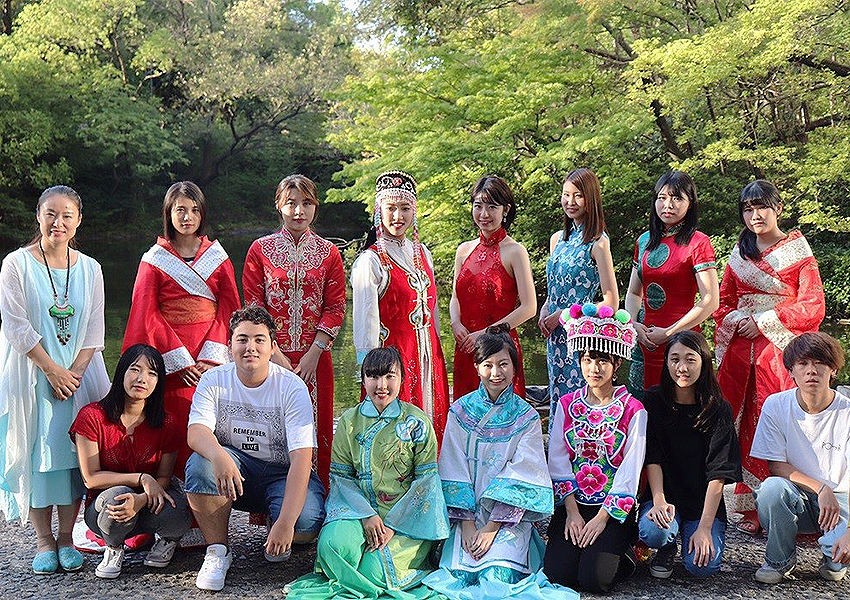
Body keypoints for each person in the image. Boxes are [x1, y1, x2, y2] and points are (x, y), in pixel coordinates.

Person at [0, 185, 111, 574]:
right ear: (38, 216)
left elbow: (95, 330)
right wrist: (51, 369)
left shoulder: (91, 268)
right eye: (51, 214)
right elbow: (15, 325)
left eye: (67, 215)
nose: (58, 222)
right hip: (32, 371)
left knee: (72, 457)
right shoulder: (16, 263)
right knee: (36, 454)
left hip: (79, 376)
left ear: (78, 220)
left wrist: (73, 376)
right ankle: (44, 540)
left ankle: (67, 537)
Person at [423, 325, 578, 600]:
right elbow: (452, 465)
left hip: (507, 519)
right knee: (460, 575)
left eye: (503, 364)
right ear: (477, 368)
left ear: (514, 367)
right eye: (488, 365)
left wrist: (492, 527)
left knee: (496, 576)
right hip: (466, 515)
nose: (496, 373)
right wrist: (469, 525)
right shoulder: (459, 411)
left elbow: (524, 474)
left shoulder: (527, 417)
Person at [285, 346, 449, 600]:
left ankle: (364, 576)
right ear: (363, 380)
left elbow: (425, 483)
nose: (381, 385)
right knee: (333, 547)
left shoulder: (417, 422)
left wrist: (393, 525)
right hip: (358, 511)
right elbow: (341, 478)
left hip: (406, 519)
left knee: (374, 569)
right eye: (373, 377)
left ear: (402, 379)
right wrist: (367, 515)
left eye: (389, 376)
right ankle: (354, 570)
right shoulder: (350, 421)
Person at [184, 305, 325, 591]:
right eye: (243, 339)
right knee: (200, 466)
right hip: (236, 469)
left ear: (273, 347)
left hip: (281, 473)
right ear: (229, 346)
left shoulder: (292, 387)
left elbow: (301, 458)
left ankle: (278, 526)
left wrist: (285, 523)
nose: (251, 347)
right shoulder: (214, 379)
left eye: (259, 340)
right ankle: (218, 550)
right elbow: (196, 431)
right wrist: (218, 455)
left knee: (306, 523)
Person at [714, 180, 825, 535]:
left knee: (778, 422)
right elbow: (723, 304)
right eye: (747, 209)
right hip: (739, 351)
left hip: (780, 351)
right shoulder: (739, 253)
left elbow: (812, 304)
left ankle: (797, 505)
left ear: (778, 208)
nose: (755, 215)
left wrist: (762, 322)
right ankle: (751, 506)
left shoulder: (797, 252)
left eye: (761, 207)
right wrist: (739, 321)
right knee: (742, 423)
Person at [122, 181, 241, 477]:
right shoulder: (154, 259)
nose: (187, 217)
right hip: (170, 360)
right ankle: (170, 493)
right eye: (180, 210)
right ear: (168, 213)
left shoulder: (218, 256)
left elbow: (229, 307)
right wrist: (178, 361)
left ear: (203, 215)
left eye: (194, 210)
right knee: (172, 422)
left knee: (212, 421)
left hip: (211, 356)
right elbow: (145, 313)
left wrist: (211, 357)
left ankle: (209, 494)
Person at [243, 174, 346, 491]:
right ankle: (270, 502)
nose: (299, 211)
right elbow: (253, 306)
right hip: (269, 359)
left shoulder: (329, 253)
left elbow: (336, 307)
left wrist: (315, 352)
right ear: (279, 206)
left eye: (306, 203)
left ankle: (316, 496)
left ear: (316, 206)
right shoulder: (260, 251)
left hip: (317, 359)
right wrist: (274, 355)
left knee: (314, 429)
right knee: (270, 429)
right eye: (291, 203)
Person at [544, 304, 646, 593]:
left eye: (602, 361)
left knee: (594, 581)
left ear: (616, 364)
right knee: (558, 575)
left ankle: (626, 555)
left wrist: (602, 518)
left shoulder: (633, 409)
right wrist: (572, 513)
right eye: (588, 360)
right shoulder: (567, 404)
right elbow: (559, 459)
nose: (594, 368)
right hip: (574, 504)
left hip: (610, 510)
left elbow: (631, 469)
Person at [70, 344, 192, 578]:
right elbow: (91, 478)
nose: (142, 378)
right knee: (119, 497)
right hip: (105, 502)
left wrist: (142, 498)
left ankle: (166, 541)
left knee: (178, 512)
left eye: (152, 373)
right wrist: (141, 478)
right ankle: (114, 547)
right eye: (135, 370)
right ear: (122, 372)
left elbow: (164, 477)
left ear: (158, 383)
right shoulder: (92, 416)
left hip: (148, 501)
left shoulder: (167, 423)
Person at [351, 171, 450, 442]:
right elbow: (365, 321)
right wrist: (370, 372)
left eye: (405, 208)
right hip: (393, 358)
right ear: (378, 211)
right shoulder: (370, 262)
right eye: (391, 208)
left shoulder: (422, 253)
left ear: (414, 211)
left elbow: (434, 309)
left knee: (432, 419)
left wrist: (438, 347)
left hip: (428, 353)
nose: (398, 216)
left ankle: (432, 474)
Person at [638, 331, 741, 579]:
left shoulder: (718, 409)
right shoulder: (653, 400)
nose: (681, 367)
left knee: (702, 567)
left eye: (690, 359)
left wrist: (705, 527)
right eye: (674, 359)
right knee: (655, 532)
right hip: (665, 498)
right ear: (666, 362)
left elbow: (719, 474)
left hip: (701, 502)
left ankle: (694, 530)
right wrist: (659, 500)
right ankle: (667, 545)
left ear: (703, 361)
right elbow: (652, 457)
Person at [750, 332, 850, 583]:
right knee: (772, 489)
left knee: (834, 571)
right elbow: (776, 465)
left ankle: (832, 556)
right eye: (803, 364)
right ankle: (779, 560)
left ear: (833, 369)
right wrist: (821, 488)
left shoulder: (847, 411)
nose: (811, 371)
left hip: (842, 503)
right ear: (791, 371)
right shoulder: (776, 405)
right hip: (797, 499)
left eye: (819, 363)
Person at [624, 171, 719, 397]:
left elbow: (710, 301)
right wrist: (633, 324)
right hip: (643, 340)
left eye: (677, 198)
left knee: (680, 406)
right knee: (642, 407)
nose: (668, 204)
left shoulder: (698, 242)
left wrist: (669, 333)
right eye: (662, 197)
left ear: (690, 203)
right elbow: (633, 293)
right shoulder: (644, 240)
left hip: (681, 340)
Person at [540, 168, 619, 429]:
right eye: (565, 195)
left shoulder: (598, 242)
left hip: (579, 336)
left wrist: (562, 315)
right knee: (557, 396)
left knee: (577, 399)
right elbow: (554, 287)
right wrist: (544, 310)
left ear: (590, 199)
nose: (570, 202)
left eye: (577, 196)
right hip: (554, 337)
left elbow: (610, 302)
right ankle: (556, 464)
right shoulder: (557, 239)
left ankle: (582, 461)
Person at [449, 175, 536, 400]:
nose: (484, 214)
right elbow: (455, 298)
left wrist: (486, 334)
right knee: (466, 415)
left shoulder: (515, 251)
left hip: (500, 348)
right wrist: (455, 323)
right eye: (478, 206)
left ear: (505, 210)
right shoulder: (463, 250)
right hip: (466, 346)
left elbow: (529, 308)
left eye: (492, 207)